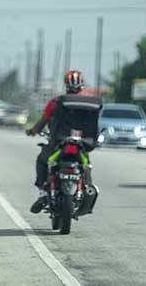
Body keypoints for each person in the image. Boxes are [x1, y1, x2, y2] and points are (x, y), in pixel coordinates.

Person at [25, 69, 92, 214]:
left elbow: (43, 121)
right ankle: (88, 188)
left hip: (59, 143)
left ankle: (43, 194)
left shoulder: (57, 101)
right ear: (82, 84)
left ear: (66, 84)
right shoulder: (90, 101)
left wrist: (33, 131)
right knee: (87, 164)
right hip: (82, 144)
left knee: (42, 160)